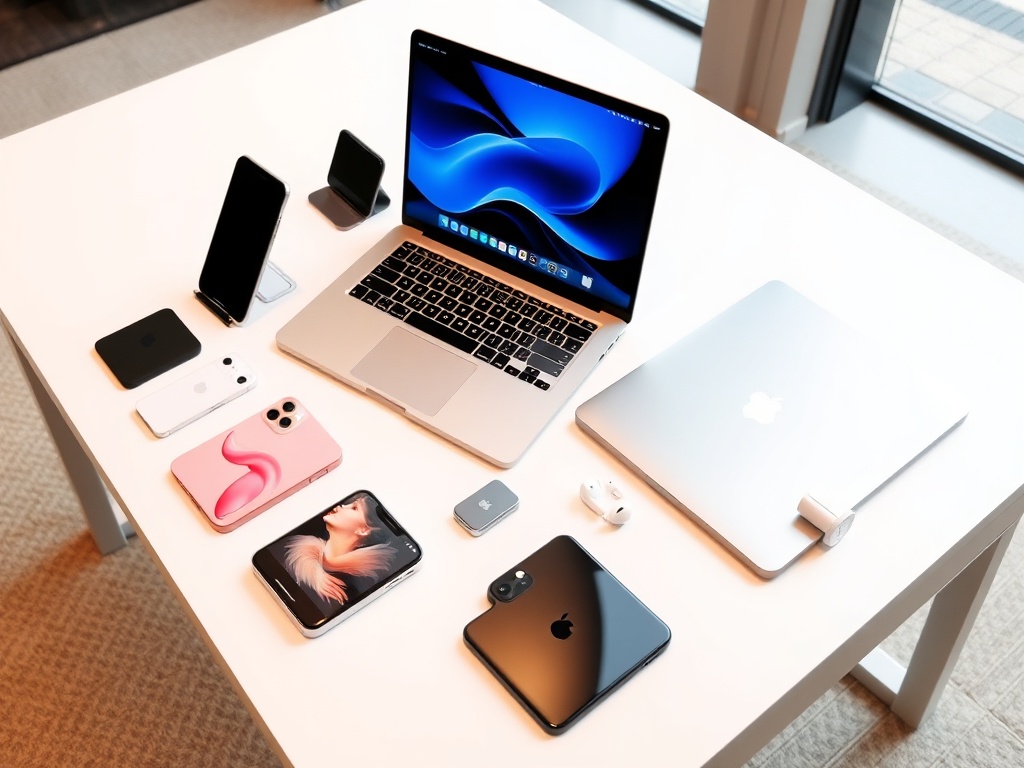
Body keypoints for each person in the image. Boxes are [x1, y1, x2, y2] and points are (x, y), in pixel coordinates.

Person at [284, 494, 396, 604]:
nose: (341, 506)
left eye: (354, 508)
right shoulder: (298, 549)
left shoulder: (350, 585)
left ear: (363, 530)